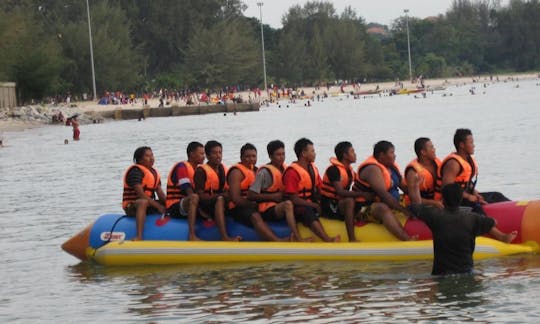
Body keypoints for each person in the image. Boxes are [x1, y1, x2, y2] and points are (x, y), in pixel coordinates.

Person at [409, 178, 517, 275]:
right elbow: (493, 222)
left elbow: (415, 207)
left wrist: (415, 186)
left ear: (443, 200)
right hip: (466, 272)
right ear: (461, 200)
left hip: (441, 273)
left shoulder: (435, 216)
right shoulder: (472, 219)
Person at [248, 140, 311, 242]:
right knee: (288, 204)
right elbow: (250, 195)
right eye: (278, 154)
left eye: (283, 154)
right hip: (267, 209)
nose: (281, 157)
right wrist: (273, 197)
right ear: (270, 156)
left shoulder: (286, 169)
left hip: (279, 206)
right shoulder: (264, 173)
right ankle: (298, 238)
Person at [353, 141, 416, 241]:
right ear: (382, 155)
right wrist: (404, 210)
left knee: (410, 200)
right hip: (365, 207)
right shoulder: (372, 169)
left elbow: (405, 188)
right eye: (391, 152)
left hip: (390, 202)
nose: (394, 155)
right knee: (382, 208)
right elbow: (383, 195)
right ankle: (407, 239)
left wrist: (416, 187)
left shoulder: (391, 167)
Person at [282, 138, 340, 242]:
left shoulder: (313, 168)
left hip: (310, 203)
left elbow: (319, 189)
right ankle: (327, 239)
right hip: (297, 206)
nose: (315, 153)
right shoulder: (292, 172)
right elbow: (294, 199)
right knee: (307, 211)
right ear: (304, 153)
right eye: (312, 151)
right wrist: (314, 205)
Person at [440, 128, 510, 213]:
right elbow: (447, 188)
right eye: (471, 142)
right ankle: (487, 224)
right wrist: (468, 196)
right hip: (454, 201)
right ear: (462, 145)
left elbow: (466, 183)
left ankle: (515, 211)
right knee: (477, 206)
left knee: (496, 196)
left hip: (466, 196)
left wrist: (475, 193)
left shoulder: (468, 160)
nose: (474, 145)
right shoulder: (453, 164)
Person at [228, 143, 288, 241]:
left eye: (253, 156)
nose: (251, 159)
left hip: (252, 204)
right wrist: (253, 204)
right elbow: (235, 198)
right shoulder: (236, 173)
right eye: (247, 156)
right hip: (237, 208)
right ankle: (276, 240)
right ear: (241, 157)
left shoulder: (256, 170)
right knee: (255, 216)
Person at [320, 141, 373, 242]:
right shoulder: (334, 170)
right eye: (352, 151)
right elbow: (340, 192)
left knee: (358, 199)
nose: (355, 154)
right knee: (350, 201)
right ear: (345, 155)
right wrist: (363, 194)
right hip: (329, 205)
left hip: (340, 203)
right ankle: (352, 238)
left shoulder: (349, 171)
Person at [194, 140, 241, 241]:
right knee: (220, 199)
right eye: (214, 153)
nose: (218, 155)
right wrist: (221, 196)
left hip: (221, 200)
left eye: (220, 152)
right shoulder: (201, 171)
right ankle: (224, 237)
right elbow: (200, 197)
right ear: (207, 155)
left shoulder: (223, 168)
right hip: (205, 205)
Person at [122, 146, 166, 240]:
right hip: (132, 206)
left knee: (170, 203)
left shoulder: (154, 172)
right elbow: (141, 195)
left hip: (149, 204)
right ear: (140, 159)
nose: (151, 158)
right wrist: (158, 206)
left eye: (152, 155)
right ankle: (139, 236)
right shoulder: (135, 171)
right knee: (143, 202)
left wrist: (170, 204)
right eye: (147, 156)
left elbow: (160, 194)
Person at [165, 141, 205, 240]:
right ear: (192, 154)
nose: (203, 156)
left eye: (204, 154)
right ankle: (191, 234)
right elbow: (188, 190)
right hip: (175, 205)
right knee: (194, 197)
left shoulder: (199, 170)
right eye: (201, 153)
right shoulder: (182, 167)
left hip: (188, 204)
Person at [404, 137, 443, 208]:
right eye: (431, 147)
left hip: (437, 202)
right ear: (423, 152)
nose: (434, 149)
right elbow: (414, 199)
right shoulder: (412, 172)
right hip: (418, 206)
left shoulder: (437, 163)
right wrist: (434, 203)